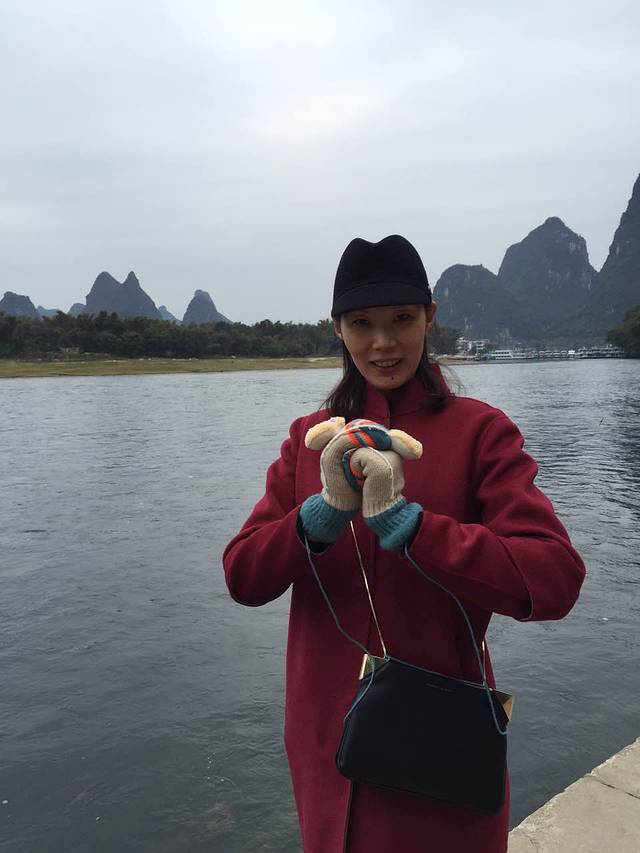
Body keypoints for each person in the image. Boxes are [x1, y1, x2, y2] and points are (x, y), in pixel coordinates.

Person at [222, 235, 585, 853]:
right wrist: (313, 520)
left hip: (438, 740)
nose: (383, 343)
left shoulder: (481, 433)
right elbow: (243, 577)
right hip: (326, 737)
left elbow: (554, 578)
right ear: (338, 328)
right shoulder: (309, 442)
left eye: (402, 320)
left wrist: (418, 529)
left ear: (429, 318)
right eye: (362, 323)